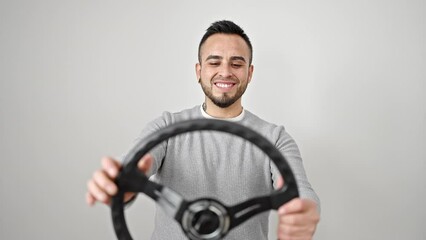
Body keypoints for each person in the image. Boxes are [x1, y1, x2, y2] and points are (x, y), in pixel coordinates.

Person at [86, 20, 320, 240]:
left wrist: (305, 210)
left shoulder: (275, 138)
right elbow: (132, 166)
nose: (226, 72)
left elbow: (301, 191)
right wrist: (119, 183)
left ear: (249, 73)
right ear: (199, 71)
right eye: (214, 62)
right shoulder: (168, 127)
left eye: (237, 64)